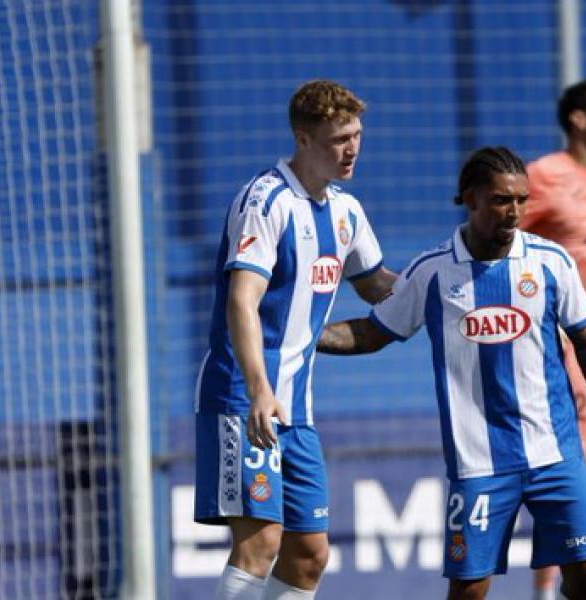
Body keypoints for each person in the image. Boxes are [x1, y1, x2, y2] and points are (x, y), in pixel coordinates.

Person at [316, 147, 586, 600]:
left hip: (556, 453)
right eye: (500, 200)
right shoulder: (432, 271)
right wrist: (302, 333)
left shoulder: (550, 261)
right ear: (470, 199)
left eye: (520, 200)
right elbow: (373, 333)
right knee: (470, 590)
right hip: (480, 463)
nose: (513, 212)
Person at [192, 79, 397, 600]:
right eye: (337, 140)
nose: (351, 149)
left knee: (309, 556)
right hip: (244, 396)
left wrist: (443, 287)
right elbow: (243, 299)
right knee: (261, 542)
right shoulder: (267, 200)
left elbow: (376, 286)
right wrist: (260, 389)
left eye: (356, 136)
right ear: (303, 140)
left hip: (296, 409)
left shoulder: (347, 212)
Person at [521, 78, 586, 599]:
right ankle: (548, 590)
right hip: (563, 349)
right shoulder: (541, 177)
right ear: (579, 119)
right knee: (566, 474)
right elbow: (498, 245)